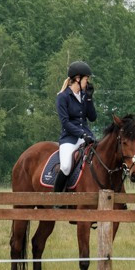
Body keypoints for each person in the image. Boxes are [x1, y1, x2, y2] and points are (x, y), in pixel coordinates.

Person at [54, 60, 97, 195]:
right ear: (77, 79)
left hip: (87, 137)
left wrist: (89, 99)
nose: (87, 82)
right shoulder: (62, 97)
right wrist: (81, 134)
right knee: (66, 166)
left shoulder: (84, 96)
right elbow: (65, 122)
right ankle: (57, 196)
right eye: (86, 79)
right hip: (69, 139)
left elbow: (92, 118)